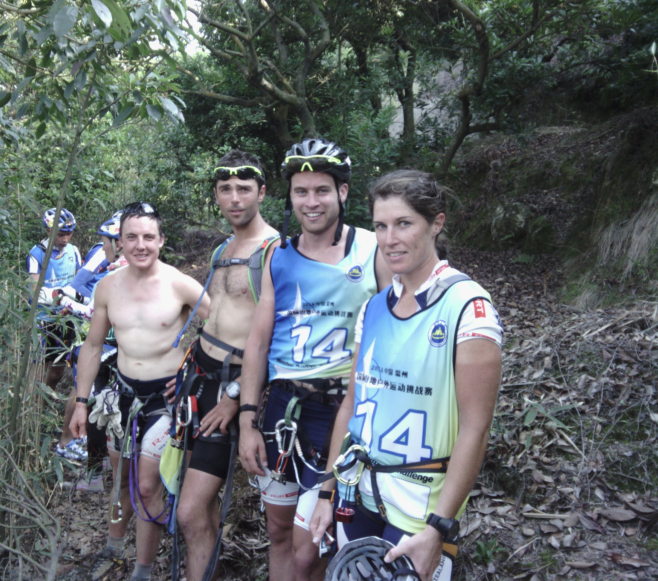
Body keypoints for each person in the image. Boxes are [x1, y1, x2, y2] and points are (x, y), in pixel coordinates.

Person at [309, 170, 503, 581]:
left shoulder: (469, 307)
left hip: (420, 509)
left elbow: (475, 429)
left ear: (436, 223)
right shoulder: (374, 307)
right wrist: (327, 491)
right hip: (356, 494)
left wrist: (440, 527)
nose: (389, 238)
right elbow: (352, 404)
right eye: (380, 226)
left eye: (403, 224)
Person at [238, 138, 393, 581]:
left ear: (343, 193)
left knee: (314, 544)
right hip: (284, 409)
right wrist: (249, 419)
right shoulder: (276, 255)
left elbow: (393, 329)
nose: (311, 201)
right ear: (289, 196)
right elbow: (259, 340)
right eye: (301, 191)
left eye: (322, 190)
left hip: (342, 411)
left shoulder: (370, 249)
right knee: (279, 531)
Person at [70, 201, 209, 581]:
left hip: (166, 402)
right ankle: (114, 550)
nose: (140, 244)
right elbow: (93, 347)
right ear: (119, 241)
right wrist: (81, 402)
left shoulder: (180, 283)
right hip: (122, 397)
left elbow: (222, 328)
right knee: (122, 483)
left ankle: (142, 570)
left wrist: (192, 368)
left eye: (149, 236)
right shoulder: (107, 286)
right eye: (131, 237)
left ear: (161, 240)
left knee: (148, 486)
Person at [171, 151, 278, 581]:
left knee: (190, 509)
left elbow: (276, 336)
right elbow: (218, 316)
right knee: (197, 505)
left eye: (244, 189)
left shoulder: (273, 251)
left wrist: (237, 399)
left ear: (262, 193)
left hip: (232, 388)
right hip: (199, 377)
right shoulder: (224, 247)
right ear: (216, 195)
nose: (234, 198)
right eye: (225, 190)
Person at [59, 212, 126, 486]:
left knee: (96, 403)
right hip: (114, 347)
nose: (103, 248)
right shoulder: (119, 269)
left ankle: (96, 472)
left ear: (119, 242)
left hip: (114, 348)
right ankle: (101, 470)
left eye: (105, 242)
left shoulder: (121, 272)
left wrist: (68, 302)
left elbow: (99, 312)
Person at [27, 207, 82, 459]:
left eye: (69, 233)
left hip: (67, 319)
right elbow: (34, 289)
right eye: (61, 234)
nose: (65, 238)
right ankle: (32, 417)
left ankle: (45, 409)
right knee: (39, 369)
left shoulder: (73, 251)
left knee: (59, 370)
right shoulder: (37, 253)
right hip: (44, 319)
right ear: (49, 231)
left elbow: (81, 281)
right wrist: (59, 297)